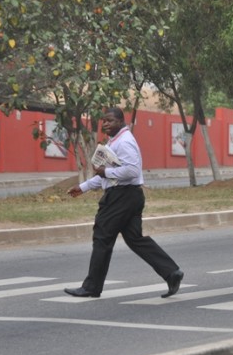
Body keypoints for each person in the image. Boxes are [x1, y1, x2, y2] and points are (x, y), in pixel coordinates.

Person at [64, 107, 184, 298]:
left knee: (102, 236)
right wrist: (84, 187)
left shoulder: (125, 141)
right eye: (104, 120)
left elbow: (132, 171)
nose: (105, 124)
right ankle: (171, 272)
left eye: (110, 120)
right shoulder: (115, 141)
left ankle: (91, 287)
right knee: (135, 239)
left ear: (121, 121)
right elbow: (110, 176)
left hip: (122, 196)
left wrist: (106, 172)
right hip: (129, 195)